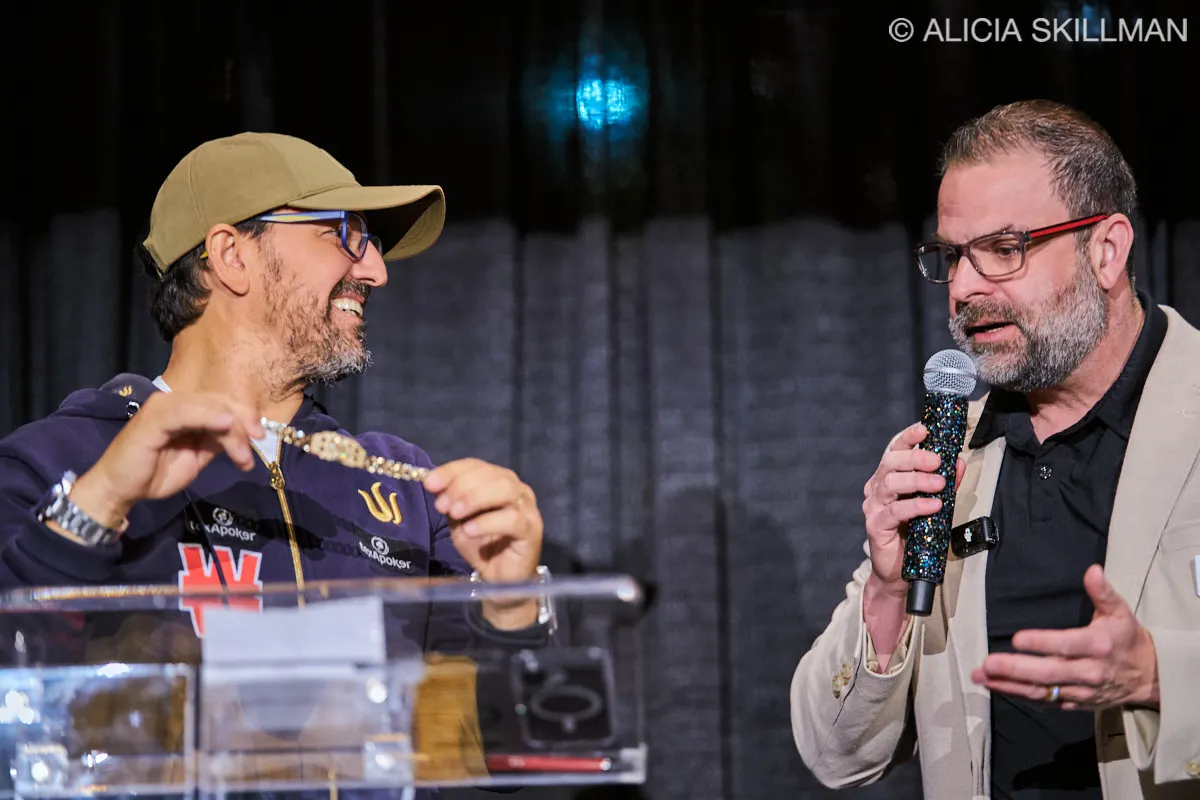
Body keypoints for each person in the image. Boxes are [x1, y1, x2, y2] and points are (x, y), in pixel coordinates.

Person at [0, 132, 556, 790]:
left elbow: (496, 759)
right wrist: (95, 506)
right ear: (231, 255)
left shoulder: (405, 488)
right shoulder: (56, 460)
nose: (375, 271)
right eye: (345, 234)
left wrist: (512, 611)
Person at [790, 100, 1200, 799]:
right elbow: (836, 755)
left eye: (1005, 250)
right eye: (952, 255)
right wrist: (889, 592)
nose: (964, 287)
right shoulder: (948, 457)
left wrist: (1160, 678)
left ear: (1106, 250)